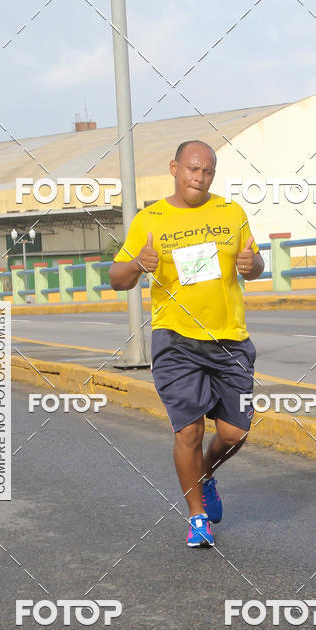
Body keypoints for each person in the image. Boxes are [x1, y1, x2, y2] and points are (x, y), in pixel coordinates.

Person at [109, 140, 264, 548]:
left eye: (208, 171)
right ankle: (197, 517)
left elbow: (255, 263)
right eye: (193, 169)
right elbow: (117, 278)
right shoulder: (150, 219)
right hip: (175, 339)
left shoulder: (231, 212)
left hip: (230, 339)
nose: (199, 177)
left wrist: (254, 266)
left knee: (233, 434)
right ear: (175, 167)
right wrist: (137, 265)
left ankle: (206, 475)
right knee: (189, 431)